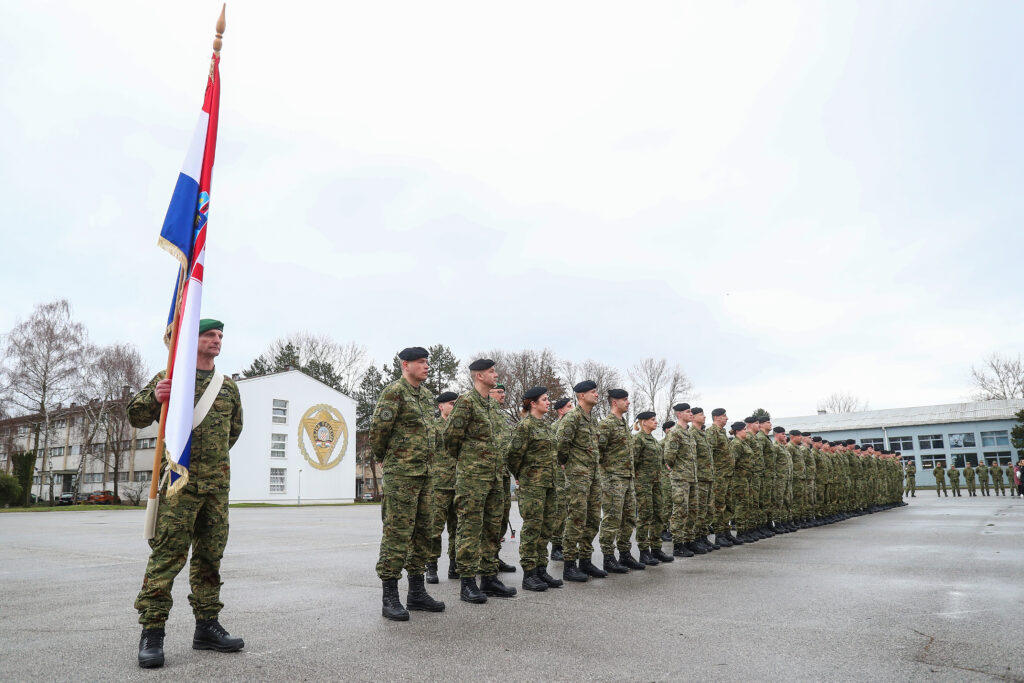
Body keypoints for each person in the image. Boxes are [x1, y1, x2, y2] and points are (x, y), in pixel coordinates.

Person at [129, 318, 244, 668]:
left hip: (216, 488)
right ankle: (152, 632)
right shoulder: (171, 375)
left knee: (210, 559)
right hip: (180, 486)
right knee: (167, 559)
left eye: (220, 336)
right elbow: (135, 416)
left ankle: (207, 627)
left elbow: (234, 430)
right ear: (192, 338)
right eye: (210, 334)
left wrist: (213, 463)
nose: (217, 340)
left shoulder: (227, 387)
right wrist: (155, 396)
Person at [370, 347, 445, 621]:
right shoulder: (394, 392)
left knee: (424, 532)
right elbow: (379, 431)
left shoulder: (425, 396)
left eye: (427, 362)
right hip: (401, 476)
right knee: (397, 534)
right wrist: (388, 460)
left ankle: (416, 592)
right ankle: (390, 596)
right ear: (405, 365)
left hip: (426, 475)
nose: (427, 366)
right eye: (421, 362)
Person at [444, 358, 517, 602]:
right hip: (473, 478)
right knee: (470, 527)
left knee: (492, 527)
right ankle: (467, 582)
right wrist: (469, 462)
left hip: (496, 477)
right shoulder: (466, 402)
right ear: (479, 376)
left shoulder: (492, 406)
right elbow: (450, 439)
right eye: (491, 371)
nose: (495, 375)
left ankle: (488, 577)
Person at [505, 386, 563, 591]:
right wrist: (522, 476)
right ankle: (529, 574)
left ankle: (541, 569)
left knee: (547, 528)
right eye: (545, 399)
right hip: (533, 486)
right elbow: (512, 456)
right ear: (533, 403)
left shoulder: (546, 427)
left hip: (549, 484)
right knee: (533, 528)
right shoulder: (525, 426)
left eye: (548, 399)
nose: (549, 402)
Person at [557, 380, 608, 582]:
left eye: (596, 391)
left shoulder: (592, 420)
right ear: (581, 396)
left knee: (593, 519)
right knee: (576, 518)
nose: (596, 395)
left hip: (594, 475)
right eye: (592, 392)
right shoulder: (572, 418)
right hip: (578, 476)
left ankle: (585, 560)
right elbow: (561, 444)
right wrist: (567, 465)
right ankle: (569, 564)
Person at [597, 389, 644, 573]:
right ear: (614, 402)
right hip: (612, 479)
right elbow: (598, 452)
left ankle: (625, 554)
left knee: (629, 518)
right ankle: (608, 557)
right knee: (612, 518)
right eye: (625, 399)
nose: (628, 402)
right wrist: (606, 473)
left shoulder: (623, 423)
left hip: (627, 478)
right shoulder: (606, 424)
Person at [426, 391, 459, 584]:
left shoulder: (459, 428)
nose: (454, 407)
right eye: (451, 404)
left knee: (457, 529)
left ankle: (454, 565)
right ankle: (431, 566)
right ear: (441, 406)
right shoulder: (434, 427)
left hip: (459, 484)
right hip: (439, 485)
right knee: (435, 529)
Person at [633, 411, 673, 564]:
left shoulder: (655, 441)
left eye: (656, 419)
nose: (656, 422)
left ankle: (656, 549)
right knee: (645, 516)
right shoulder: (638, 440)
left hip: (657, 483)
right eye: (652, 420)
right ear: (643, 422)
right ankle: (644, 551)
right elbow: (633, 462)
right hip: (643, 484)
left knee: (659, 514)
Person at [489, 383, 517, 574]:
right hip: (484, 476)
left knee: (501, 519)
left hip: (503, 474)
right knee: (485, 522)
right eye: (499, 392)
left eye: (504, 392)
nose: (503, 395)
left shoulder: (503, 417)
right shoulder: (480, 412)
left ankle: (494, 557)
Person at [664, 403, 698, 557]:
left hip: (692, 478)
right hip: (680, 479)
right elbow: (669, 457)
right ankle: (678, 545)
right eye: (688, 411)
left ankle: (689, 541)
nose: (691, 414)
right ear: (679, 414)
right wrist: (676, 469)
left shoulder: (689, 433)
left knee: (692, 511)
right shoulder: (675, 433)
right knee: (680, 511)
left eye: (691, 411)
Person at [548, 397, 574, 562]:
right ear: (561, 410)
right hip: (558, 475)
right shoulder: (555, 427)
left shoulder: (573, 426)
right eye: (569, 406)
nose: (572, 408)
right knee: (560, 512)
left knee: (569, 510)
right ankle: (556, 547)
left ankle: (565, 544)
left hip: (571, 476)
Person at [707, 408, 735, 545]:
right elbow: (709, 453)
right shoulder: (712, 431)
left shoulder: (722, 432)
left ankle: (726, 531)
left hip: (727, 475)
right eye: (724, 416)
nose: (727, 418)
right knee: (719, 506)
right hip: (719, 476)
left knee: (728, 505)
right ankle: (719, 534)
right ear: (717, 417)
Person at [659, 421, 676, 543]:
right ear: (666, 430)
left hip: (677, 477)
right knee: (667, 504)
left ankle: (672, 528)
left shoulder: (676, 443)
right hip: (665, 477)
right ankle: (662, 530)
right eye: (671, 429)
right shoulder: (662, 444)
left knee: (676, 504)